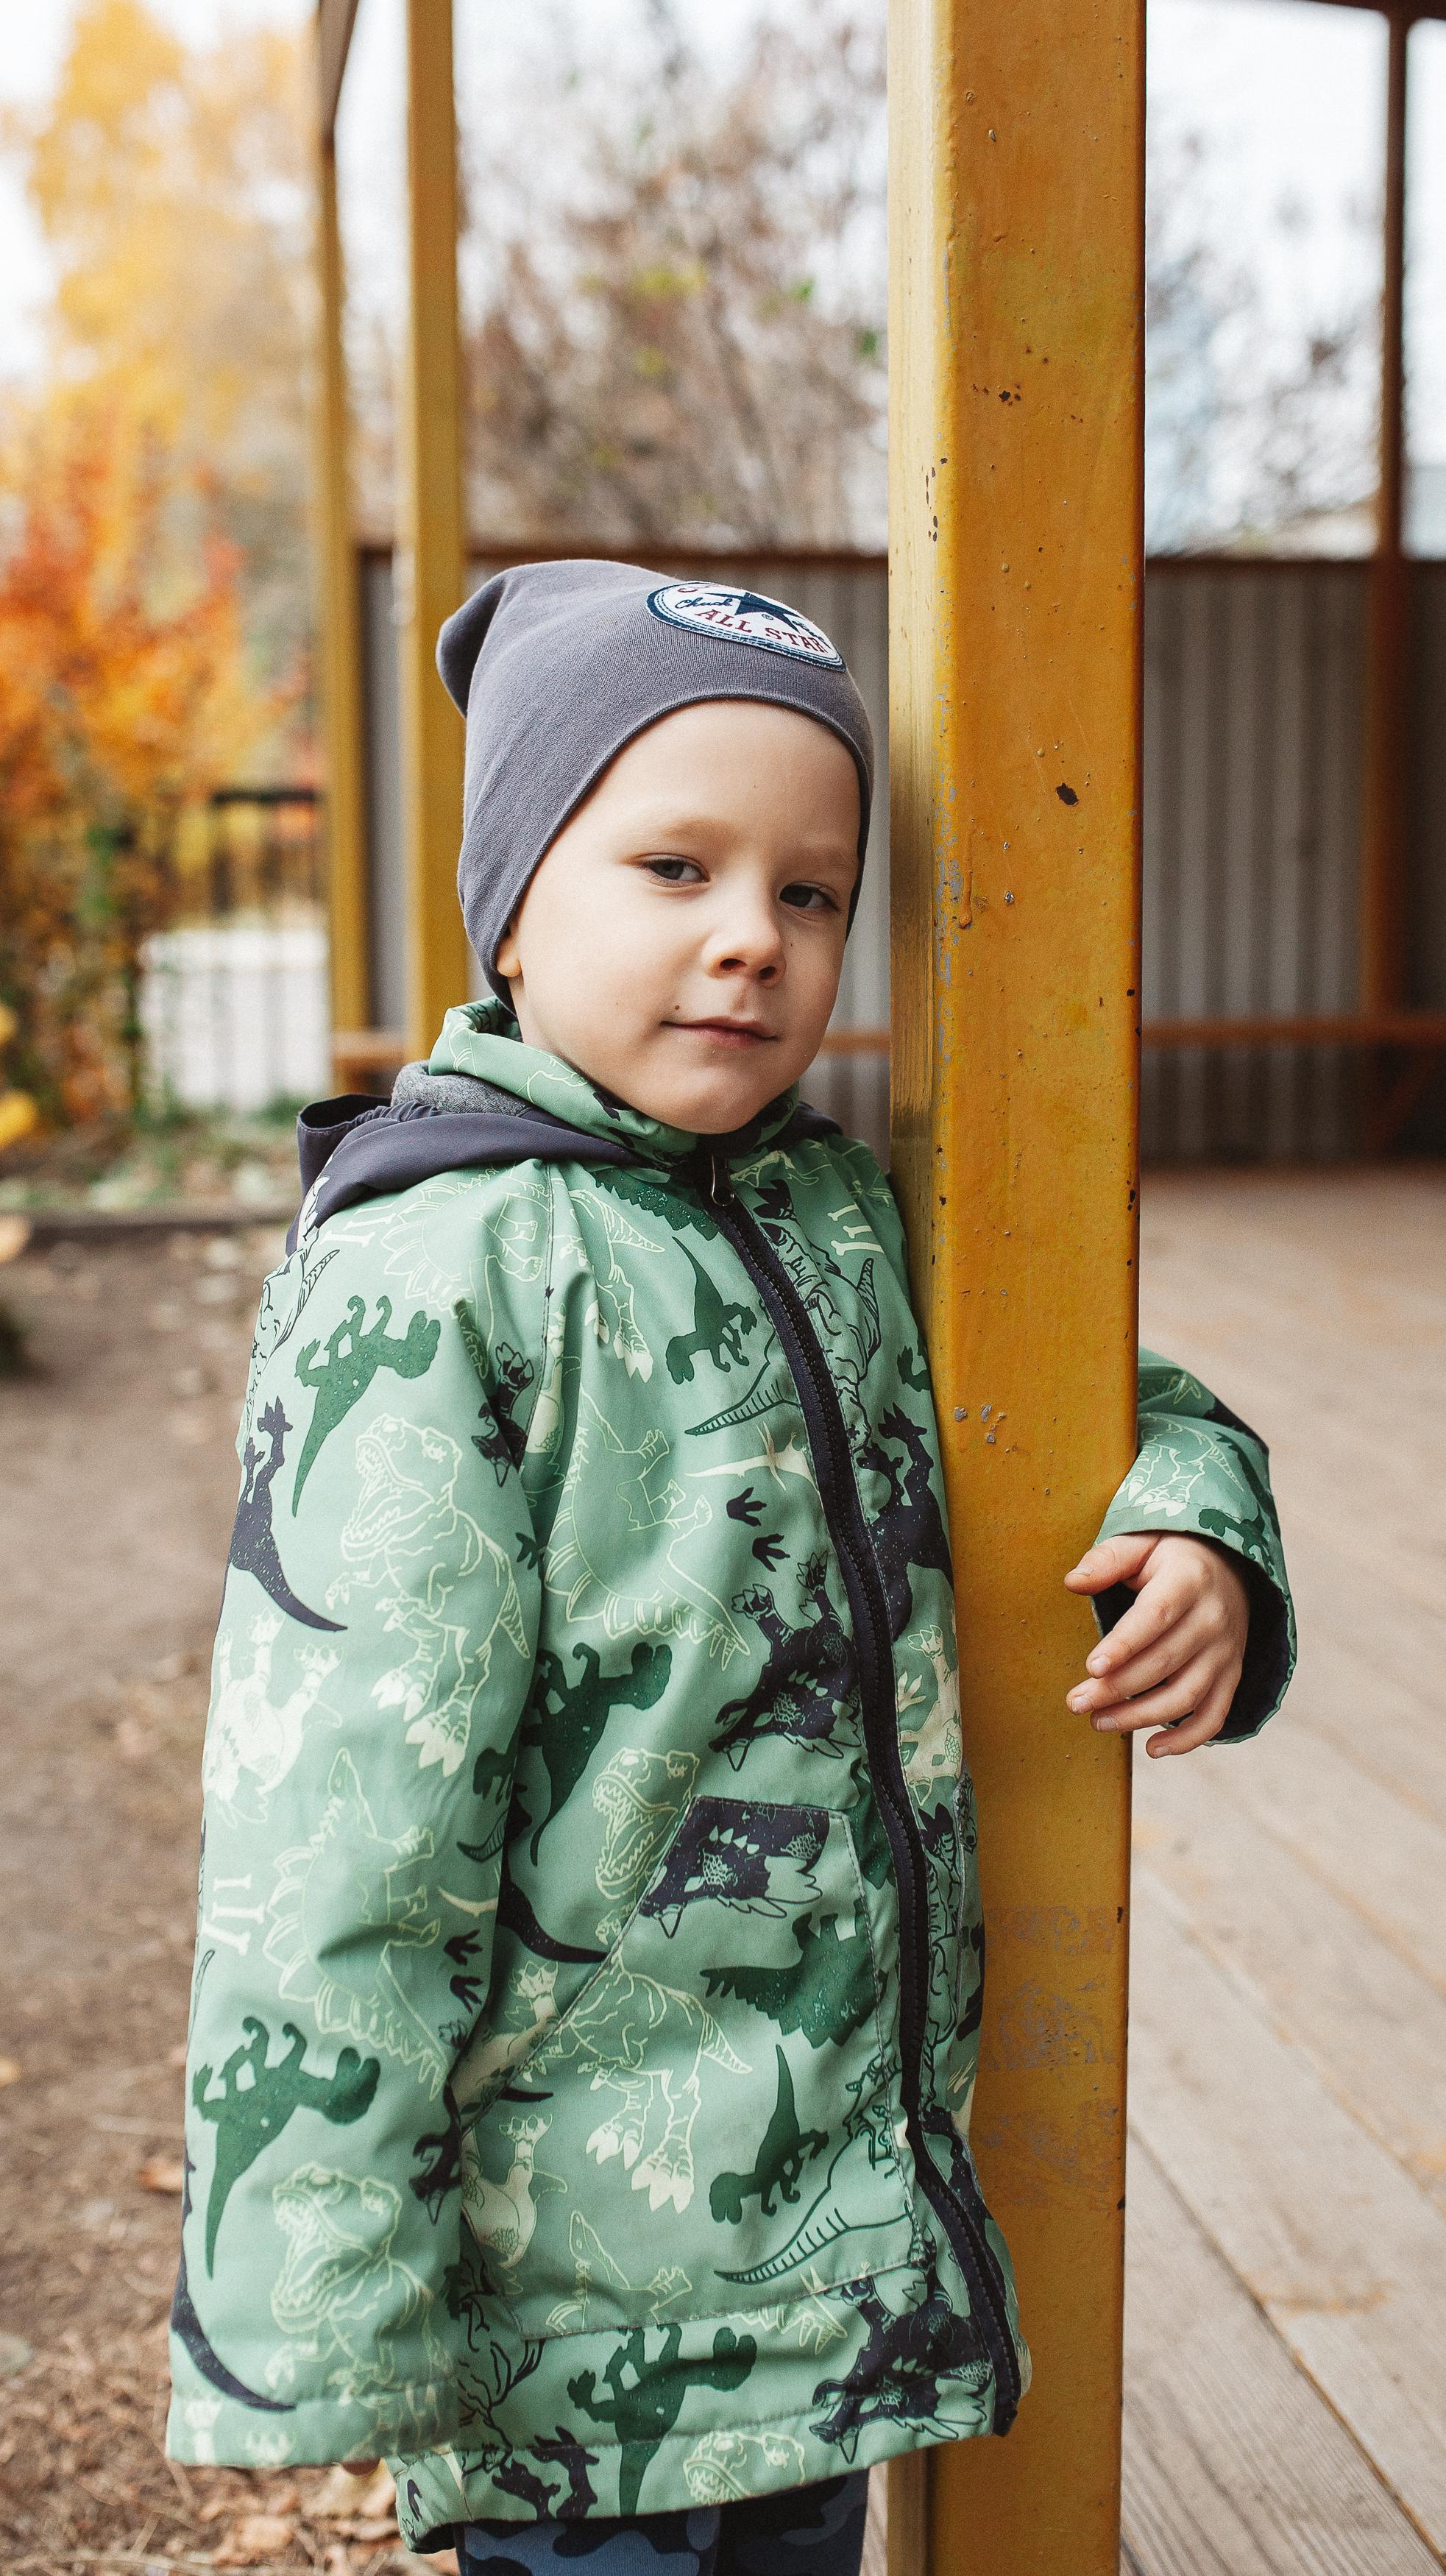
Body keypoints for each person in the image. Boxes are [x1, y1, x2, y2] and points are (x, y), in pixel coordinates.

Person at [167, 565, 1292, 2572]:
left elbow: (1109, 1397)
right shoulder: (435, 1273)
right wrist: (319, 2300)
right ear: (513, 901)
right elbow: (336, 1823)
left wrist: (1196, 1514)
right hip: (566, 2310)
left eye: (809, 891)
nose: (749, 941)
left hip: (824, 2271)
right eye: (673, 865)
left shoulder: (847, 1217)